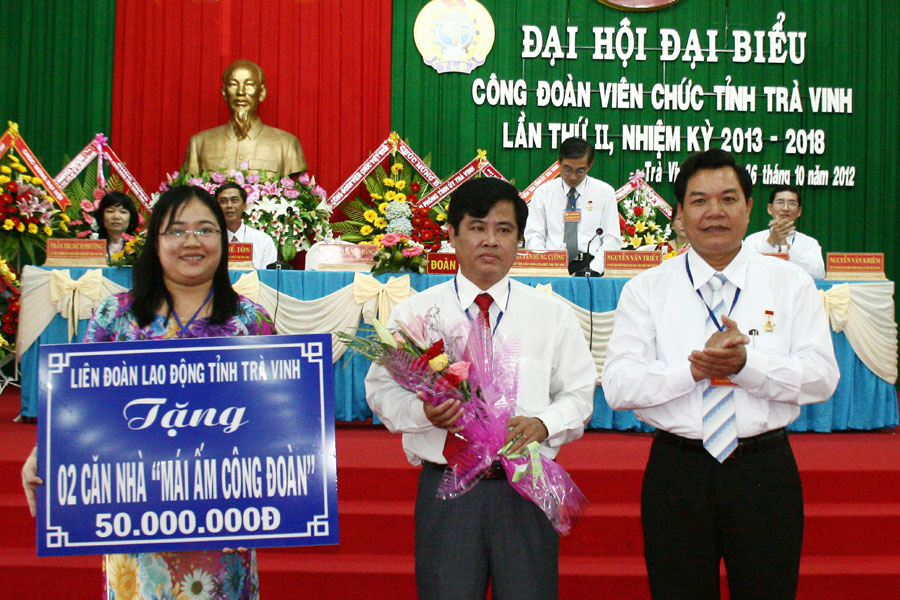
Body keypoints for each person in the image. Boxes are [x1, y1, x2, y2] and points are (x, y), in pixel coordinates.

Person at [601, 149, 839, 599]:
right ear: (680, 213)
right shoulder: (645, 290)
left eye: (728, 199)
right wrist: (692, 370)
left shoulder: (792, 285)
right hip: (677, 471)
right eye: (699, 201)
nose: (714, 212)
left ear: (749, 208)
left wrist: (748, 367)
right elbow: (618, 386)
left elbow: (822, 377)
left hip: (763, 470)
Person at [22, 185, 276, 599]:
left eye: (205, 230)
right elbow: (79, 403)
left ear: (223, 240)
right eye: (176, 230)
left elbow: (275, 420)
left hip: (226, 527)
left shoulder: (250, 320)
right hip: (134, 525)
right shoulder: (116, 315)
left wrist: (269, 505)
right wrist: (47, 449)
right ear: (155, 241)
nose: (191, 241)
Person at [365, 177, 596, 599]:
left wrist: (544, 423)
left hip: (526, 487)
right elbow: (381, 392)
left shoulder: (551, 316)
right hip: (448, 489)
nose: (491, 240)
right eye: (477, 227)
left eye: (504, 229)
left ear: (519, 241)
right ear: (452, 235)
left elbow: (580, 394)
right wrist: (423, 413)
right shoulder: (416, 314)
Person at [182, 59, 307, 178]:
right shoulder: (199, 143)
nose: (240, 92)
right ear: (224, 92)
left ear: (262, 93)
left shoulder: (286, 144)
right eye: (233, 84)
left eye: (249, 84)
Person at [524, 136, 622, 275]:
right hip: (551, 264)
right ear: (559, 162)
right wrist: (545, 264)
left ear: (590, 165)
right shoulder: (543, 193)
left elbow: (612, 239)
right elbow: (534, 235)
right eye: (567, 169)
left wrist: (593, 269)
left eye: (580, 171)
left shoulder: (604, 193)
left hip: (591, 264)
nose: (573, 177)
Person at [744, 185, 825, 279]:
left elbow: (819, 274)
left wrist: (787, 248)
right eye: (780, 202)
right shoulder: (753, 240)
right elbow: (745, 269)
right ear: (770, 209)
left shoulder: (810, 243)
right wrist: (770, 242)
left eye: (792, 203)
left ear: (799, 211)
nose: (786, 208)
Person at [216, 182, 278, 269]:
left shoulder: (263, 241)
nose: (229, 205)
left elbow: (269, 275)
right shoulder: (209, 240)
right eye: (223, 201)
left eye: (234, 200)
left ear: (244, 206)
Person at [94, 191, 139, 263]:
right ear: (101, 216)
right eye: (110, 211)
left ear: (131, 217)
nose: (116, 217)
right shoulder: (92, 243)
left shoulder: (139, 246)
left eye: (123, 212)